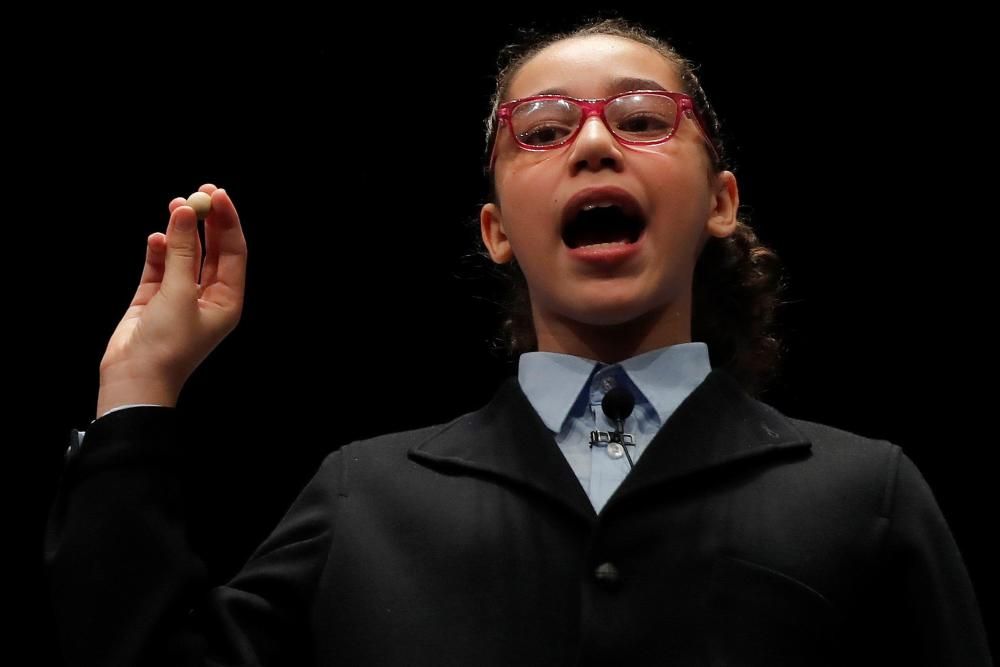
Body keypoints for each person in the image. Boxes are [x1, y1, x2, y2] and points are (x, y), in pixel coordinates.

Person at [45, 16, 993, 667]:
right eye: (541, 130)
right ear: (497, 232)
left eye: (642, 119)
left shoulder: (867, 494)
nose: (594, 145)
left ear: (720, 202)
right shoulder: (363, 498)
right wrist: (137, 384)